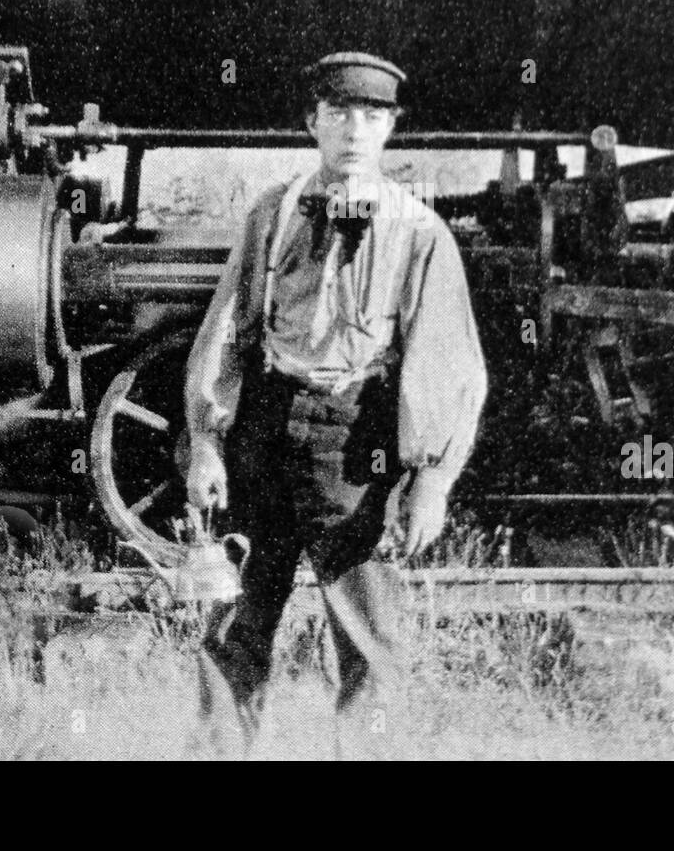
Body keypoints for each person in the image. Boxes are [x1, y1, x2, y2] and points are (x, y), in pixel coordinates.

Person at [183, 50, 488, 751]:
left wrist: (432, 479)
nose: (355, 129)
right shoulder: (274, 214)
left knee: (369, 643)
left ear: (391, 129)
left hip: (353, 443)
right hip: (263, 431)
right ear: (311, 121)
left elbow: (445, 362)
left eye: (372, 116)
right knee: (235, 625)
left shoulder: (419, 234)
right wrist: (206, 438)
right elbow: (228, 328)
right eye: (340, 113)